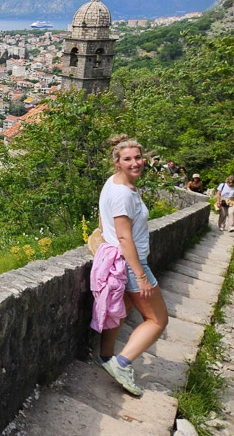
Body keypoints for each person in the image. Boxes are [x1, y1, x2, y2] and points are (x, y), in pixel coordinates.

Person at [94, 135, 168, 396]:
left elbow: (104, 222)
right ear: (117, 162)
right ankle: (121, 364)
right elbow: (124, 236)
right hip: (130, 263)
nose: (135, 163)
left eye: (138, 157)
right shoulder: (123, 194)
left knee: (120, 311)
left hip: (116, 260)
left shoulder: (113, 184)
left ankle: (105, 357)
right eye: (128, 159)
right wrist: (141, 276)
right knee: (157, 320)